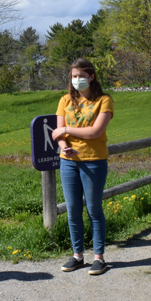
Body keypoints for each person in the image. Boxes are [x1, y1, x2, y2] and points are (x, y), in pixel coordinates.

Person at [51, 58, 114, 275]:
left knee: (94, 209)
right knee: (73, 210)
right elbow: (58, 133)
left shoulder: (103, 100)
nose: (77, 80)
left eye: (81, 76)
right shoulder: (65, 100)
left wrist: (66, 130)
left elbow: (95, 132)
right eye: (74, 76)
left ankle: (99, 257)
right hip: (68, 163)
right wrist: (63, 145)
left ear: (91, 77)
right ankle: (77, 255)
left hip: (93, 161)